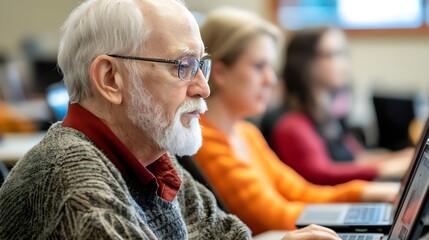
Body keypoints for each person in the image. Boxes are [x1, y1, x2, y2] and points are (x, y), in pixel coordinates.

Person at [0, 0, 344, 239]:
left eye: (200, 65)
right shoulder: (74, 189)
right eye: (182, 67)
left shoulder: (151, 157)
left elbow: (224, 235)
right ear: (110, 79)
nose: (204, 88)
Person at [193, 8, 400, 235]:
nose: (271, 79)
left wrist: (366, 193)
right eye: (259, 66)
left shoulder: (246, 132)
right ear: (221, 72)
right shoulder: (205, 140)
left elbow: (300, 192)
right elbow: (273, 217)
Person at [264, 26, 412, 185]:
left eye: (344, 53)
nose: (344, 64)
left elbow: (357, 158)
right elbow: (320, 173)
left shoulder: (327, 114)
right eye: (333, 55)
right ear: (305, 62)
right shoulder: (291, 123)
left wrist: (408, 157)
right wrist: (389, 168)